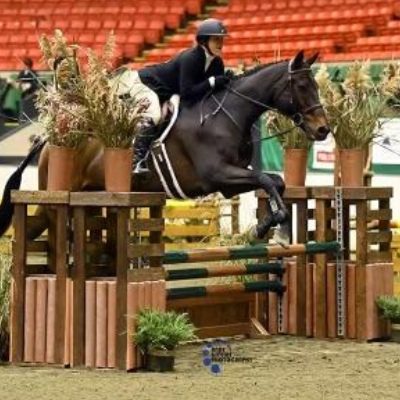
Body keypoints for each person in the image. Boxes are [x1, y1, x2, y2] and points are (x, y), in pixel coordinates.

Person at [114, 18, 230, 174]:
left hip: (168, 91)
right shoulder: (191, 58)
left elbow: (212, 91)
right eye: (216, 39)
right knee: (154, 115)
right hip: (147, 83)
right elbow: (188, 93)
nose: (220, 43)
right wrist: (211, 82)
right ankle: (137, 159)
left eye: (221, 39)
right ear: (204, 41)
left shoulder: (217, 63)